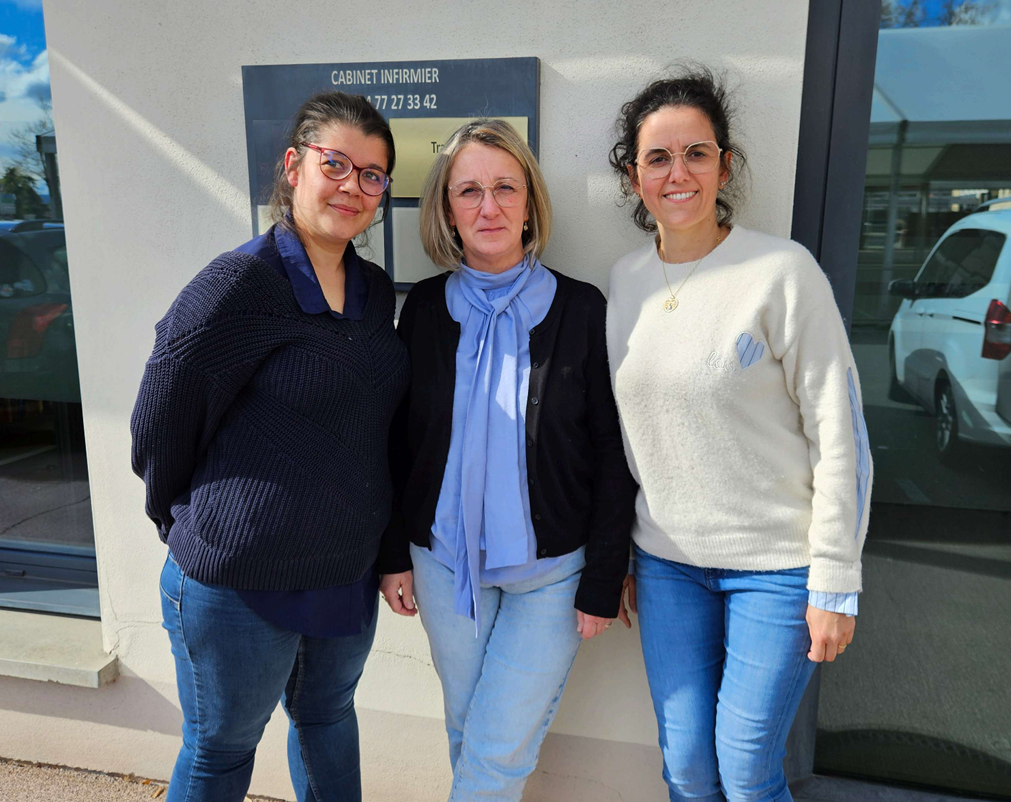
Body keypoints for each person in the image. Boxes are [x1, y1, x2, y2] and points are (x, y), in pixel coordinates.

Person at [130, 92, 408, 802]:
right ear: (293, 166)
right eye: (335, 163)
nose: (352, 185)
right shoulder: (240, 283)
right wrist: (183, 521)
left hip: (343, 570)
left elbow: (379, 428)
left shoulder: (376, 293)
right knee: (221, 750)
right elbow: (161, 414)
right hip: (237, 581)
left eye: (371, 175)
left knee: (326, 718)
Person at [605, 68, 872, 802]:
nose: (677, 172)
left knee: (746, 767)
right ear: (633, 177)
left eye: (696, 152)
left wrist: (834, 580)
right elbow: (632, 439)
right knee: (686, 767)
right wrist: (624, 551)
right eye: (656, 157)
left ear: (725, 165)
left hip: (776, 567)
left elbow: (837, 431)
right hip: (666, 564)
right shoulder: (623, 284)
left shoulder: (780, 272)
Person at [378, 118, 636, 801]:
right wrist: (393, 554)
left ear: (529, 204)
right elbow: (399, 441)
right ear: (447, 211)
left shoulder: (582, 310)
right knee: (468, 730)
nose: (487, 207)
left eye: (504, 188)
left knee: (494, 752)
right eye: (468, 192)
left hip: (549, 576)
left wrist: (604, 575)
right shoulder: (427, 309)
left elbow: (613, 452)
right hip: (442, 565)